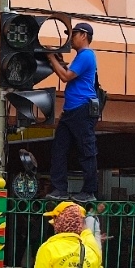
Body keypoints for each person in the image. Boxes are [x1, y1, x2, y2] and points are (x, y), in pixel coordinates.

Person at [47, 22, 100, 203]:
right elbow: (67, 72)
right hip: (71, 110)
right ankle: (59, 188)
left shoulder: (86, 55)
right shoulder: (81, 56)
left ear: (84, 36)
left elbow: (66, 76)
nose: (71, 38)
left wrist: (51, 58)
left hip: (82, 109)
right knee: (59, 149)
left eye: (74, 34)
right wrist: (57, 61)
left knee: (86, 150)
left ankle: (89, 191)